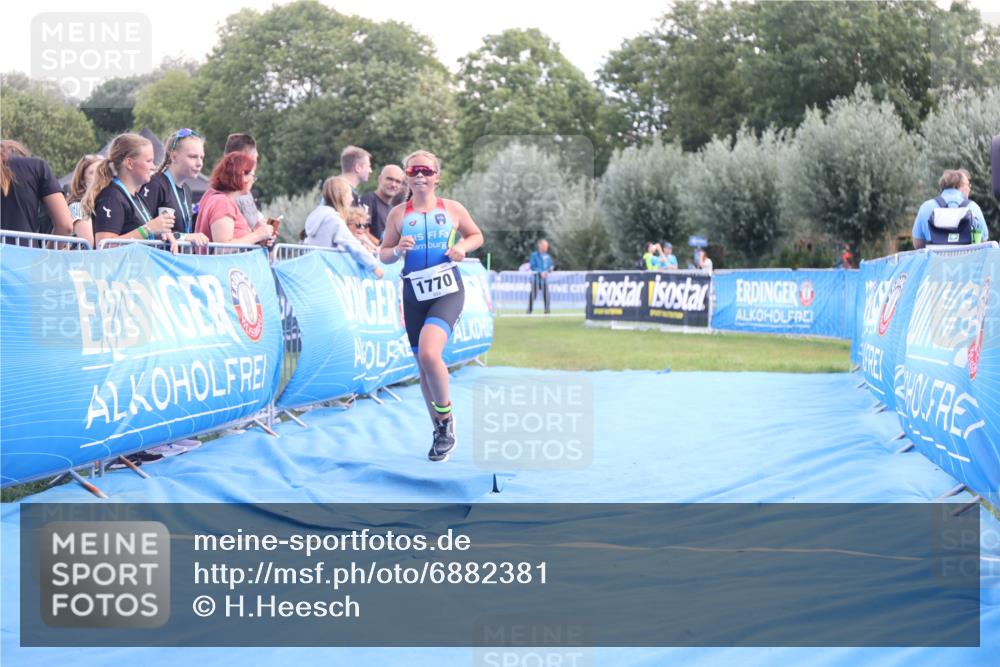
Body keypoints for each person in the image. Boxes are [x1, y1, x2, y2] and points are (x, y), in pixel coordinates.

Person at [380, 150, 484, 462]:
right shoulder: (398, 214)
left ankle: (447, 419)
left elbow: (476, 235)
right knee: (422, 367)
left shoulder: (452, 209)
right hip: (414, 293)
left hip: (447, 290)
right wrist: (397, 249)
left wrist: (461, 248)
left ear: (437, 177)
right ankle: (439, 429)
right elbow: (383, 253)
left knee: (429, 353)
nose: (420, 176)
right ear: (407, 178)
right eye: (413, 171)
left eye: (426, 171)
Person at [85, 133, 180, 250]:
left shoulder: (137, 197)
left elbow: (138, 234)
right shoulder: (111, 197)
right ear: (130, 163)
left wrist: (161, 234)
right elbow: (104, 245)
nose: (154, 166)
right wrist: (149, 228)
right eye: (149, 161)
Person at [302, 176, 383, 277]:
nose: (352, 199)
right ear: (342, 196)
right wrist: (374, 266)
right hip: (325, 272)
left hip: (313, 268)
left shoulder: (318, 216)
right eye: (349, 194)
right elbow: (352, 245)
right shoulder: (333, 220)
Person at [195, 152, 276, 245]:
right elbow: (223, 247)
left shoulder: (216, 197)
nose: (253, 181)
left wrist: (258, 233)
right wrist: (257, 235)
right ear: (242, 175)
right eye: (253, 176)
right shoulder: (222, 202)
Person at [1, 139, 74, 239]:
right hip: (23, 252)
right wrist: (49, 252)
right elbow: (66, 225)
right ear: (20, 153)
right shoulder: (36, 167)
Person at [140, 129, 207, 236]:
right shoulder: (155, 184)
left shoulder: (187, 190)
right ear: (174, 156)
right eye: (193, 157)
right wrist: (185, 238)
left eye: (202, 157)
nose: (199, 163)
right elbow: (143, 229)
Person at [911, 169, 989, 248]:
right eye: (968, 185)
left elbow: (918, 245)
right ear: (957, 186)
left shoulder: (926, 207)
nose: (969, 189)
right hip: (967, 259)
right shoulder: (973, 207)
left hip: (936, 259)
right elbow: (983, 241)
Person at [359, 165, 405, 241]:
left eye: (398, 182)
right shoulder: (368, 200)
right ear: (379, 179)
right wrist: (382, 248)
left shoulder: (393, 210)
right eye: (389, 179)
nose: (393, 184)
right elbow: (361, 232)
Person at [65, 154, 102, 247]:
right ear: (82, 180)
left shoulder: (106, 202)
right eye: (92, 172)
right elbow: (89, 245)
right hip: (79, 260)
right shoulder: (78, 206)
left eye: (101, 171)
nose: (98, 176)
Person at [528, 238, 555, 314]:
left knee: (546, 295)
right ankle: (529, 311)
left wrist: (547, 271)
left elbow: (551, 266)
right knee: (533, 295)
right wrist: (540, 272)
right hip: (535, 279)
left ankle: (547, 311)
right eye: (544, 246)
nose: (546, 248)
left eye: (547, 246)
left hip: (544, 280)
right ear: (540, 246)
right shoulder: (534, 255)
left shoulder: (548, 256)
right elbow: (533, 266)